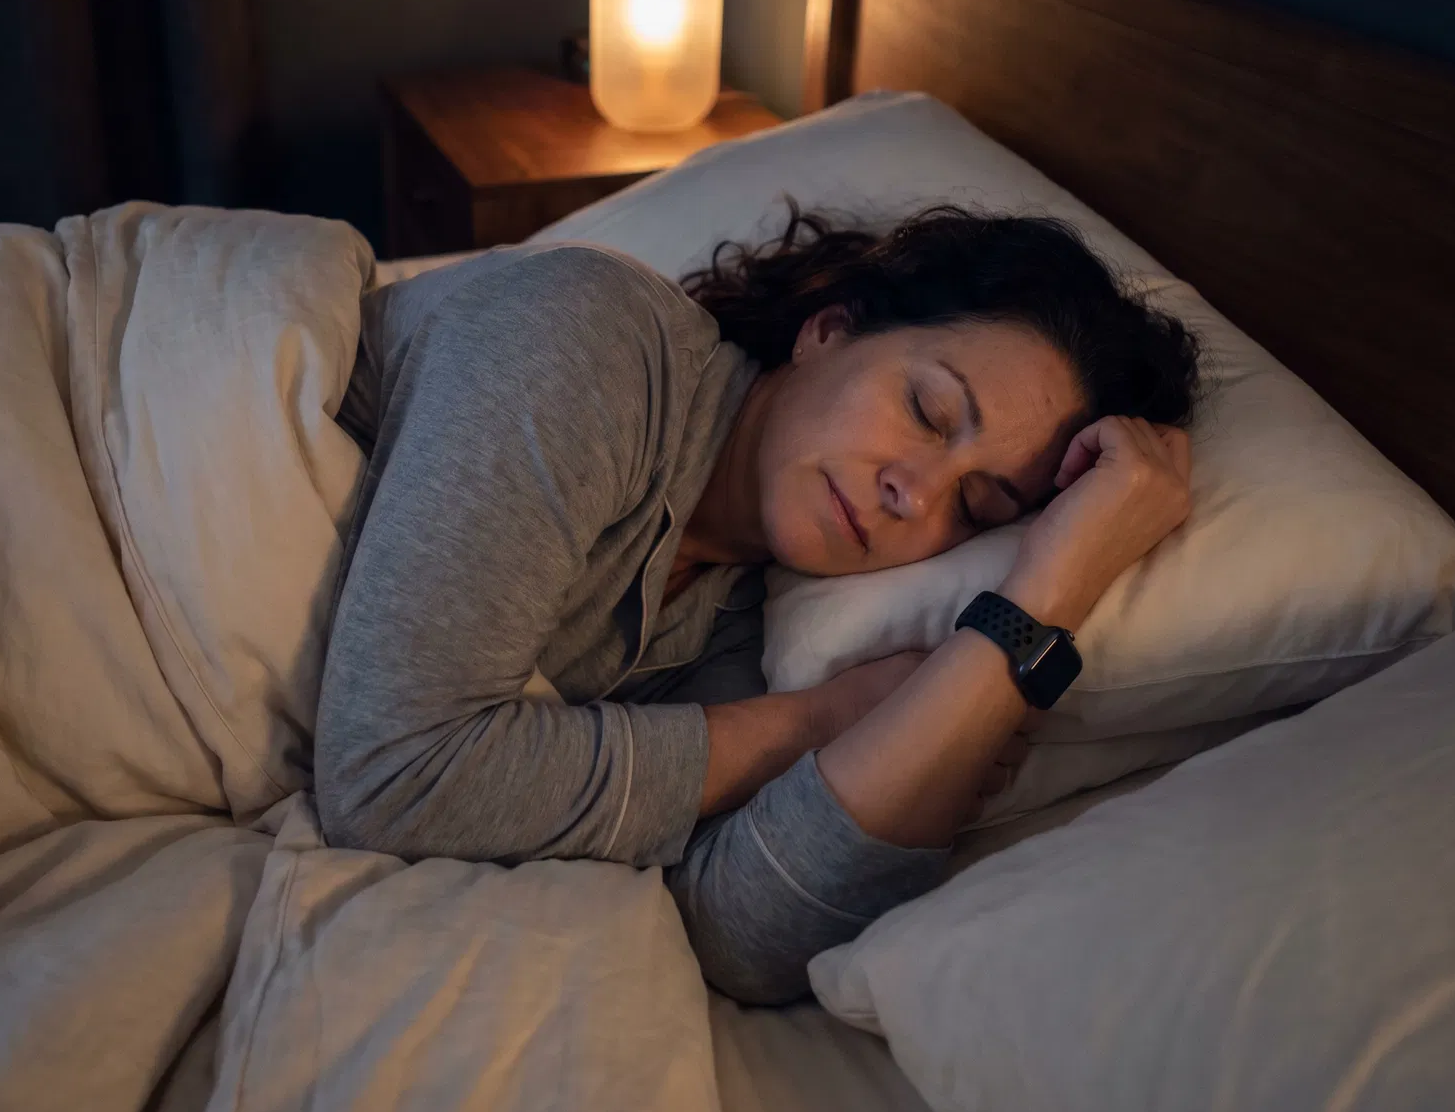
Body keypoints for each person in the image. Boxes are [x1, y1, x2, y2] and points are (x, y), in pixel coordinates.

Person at [317, 204, 1200, 1004]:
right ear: (827, 330)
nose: (915, 496)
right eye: (928, 413)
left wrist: (1045, 598)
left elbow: (742, 939)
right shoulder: (588, 339)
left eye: (977, 509)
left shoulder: (738, 622)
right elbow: (394, 778)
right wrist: (816, 720)